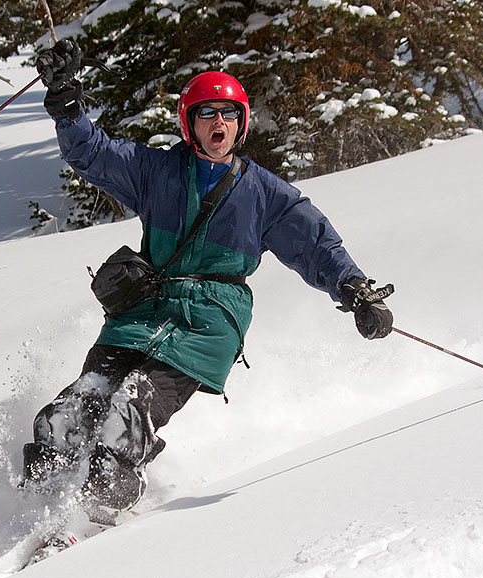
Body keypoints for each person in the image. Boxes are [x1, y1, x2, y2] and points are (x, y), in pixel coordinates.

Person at [21, 39, 393, 523]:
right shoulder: (156, 172)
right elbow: (92, 153)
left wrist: (355, 289)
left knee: (123, 417)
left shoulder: (264, 194)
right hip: (141, 312)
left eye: (229, 114)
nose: (220, 124)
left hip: (207, 324)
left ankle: (99, 511)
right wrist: (67, 104)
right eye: (207, 114)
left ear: (240, 124)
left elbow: (316, 245)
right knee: (64, 416)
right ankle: (36, 518)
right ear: (189, 123)